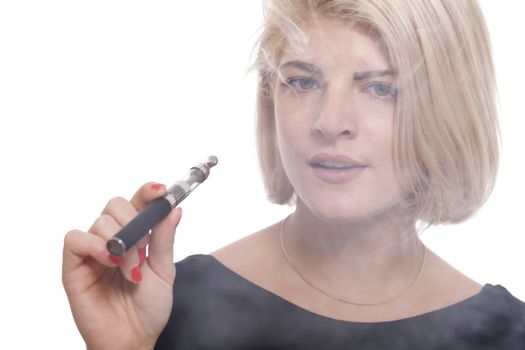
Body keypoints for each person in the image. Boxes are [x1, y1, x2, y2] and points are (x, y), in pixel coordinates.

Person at [62, 0, 525, 349]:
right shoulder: (169, 308)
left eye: (380, 88)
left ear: (448, 109)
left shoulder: (509, 333)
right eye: (303, 81)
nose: (330, 120)